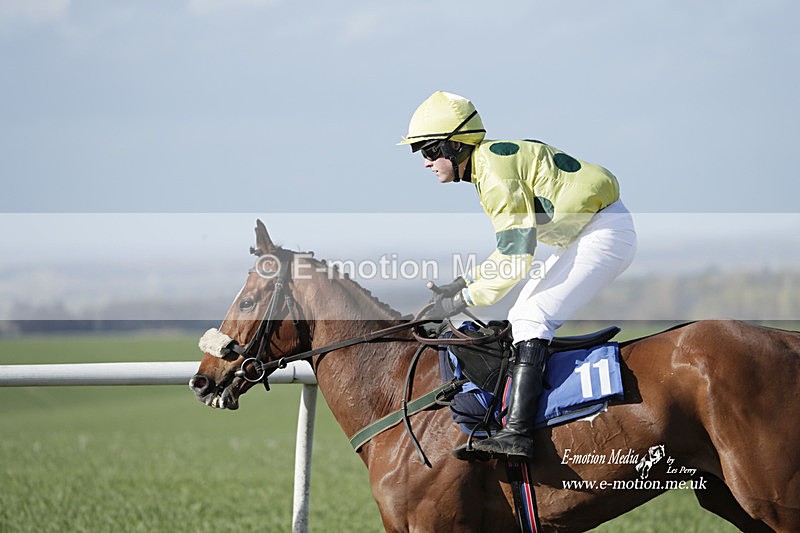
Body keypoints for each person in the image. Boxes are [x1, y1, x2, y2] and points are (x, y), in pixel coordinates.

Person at [398, 91, 637, 461]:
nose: (426, 163)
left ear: (455, 146)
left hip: (602, 234)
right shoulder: (489, 163)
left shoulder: (493, 173)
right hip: (592, 231)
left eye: (429, 151)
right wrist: (463, 284)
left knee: (532, 316)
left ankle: (518, 433)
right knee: (521, 314)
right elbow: (510, 249)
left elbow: (514, 260)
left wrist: (463, 300)